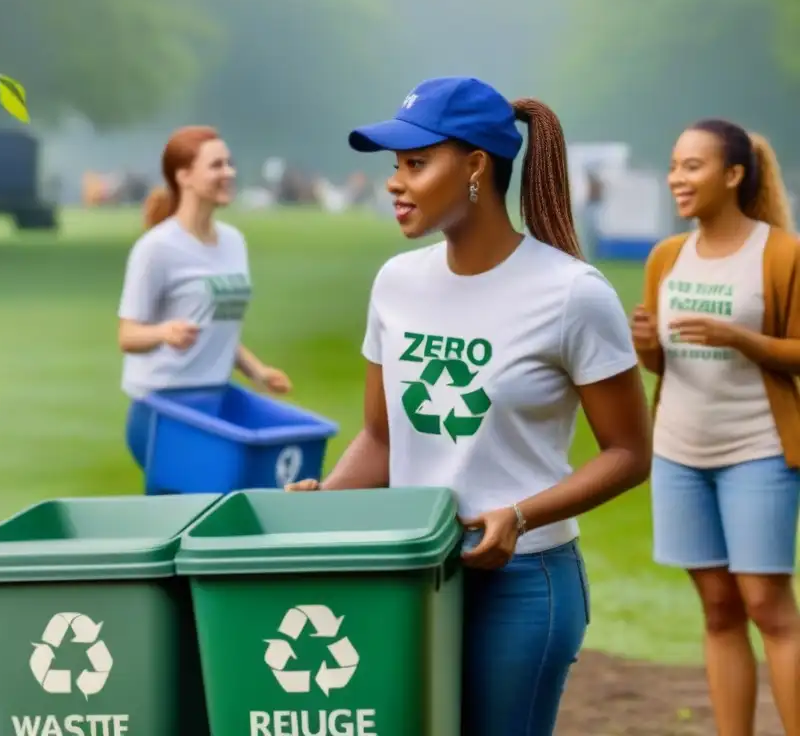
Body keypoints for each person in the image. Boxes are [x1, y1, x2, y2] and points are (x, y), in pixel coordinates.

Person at [285, 76, 653, 735]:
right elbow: (381, 434)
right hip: (410, 574)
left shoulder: (572, 294)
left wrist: (519, 515)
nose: (395, 183)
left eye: (417, 164)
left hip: (522, 580)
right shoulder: (396, 283)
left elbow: (629, 453)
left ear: (477, 165)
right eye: (395, 166)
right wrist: (330, 504)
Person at [633, 120, 800, 736]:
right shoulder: (667, 257)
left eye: (693, 166)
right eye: (675, 164)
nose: (678, 177)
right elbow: (661, 364)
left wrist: (742, 339)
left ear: (733, 175)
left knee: (767, 606)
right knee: (719, 608)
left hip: (757, 450)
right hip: (679, 453)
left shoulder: (781, 253)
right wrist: (647, 346)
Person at [117, 125, 291, 467]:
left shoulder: (233, 242)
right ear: (184, 176)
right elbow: (127, 336)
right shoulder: (156, 248)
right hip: (163, 408)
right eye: (216, 166)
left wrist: (257, 371)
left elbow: (215, 325)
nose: (229, 173)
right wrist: (163, 333)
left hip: (215, 399)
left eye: (229, 163)